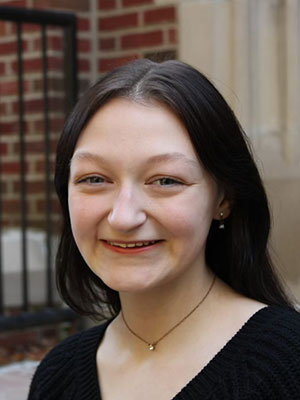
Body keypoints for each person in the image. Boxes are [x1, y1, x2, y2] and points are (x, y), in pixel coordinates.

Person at [28, 59, 300, 400]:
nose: (123, 217)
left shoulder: (288, 365)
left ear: (224, 199)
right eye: (94, 179)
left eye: (166, 180)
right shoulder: (58, 376)